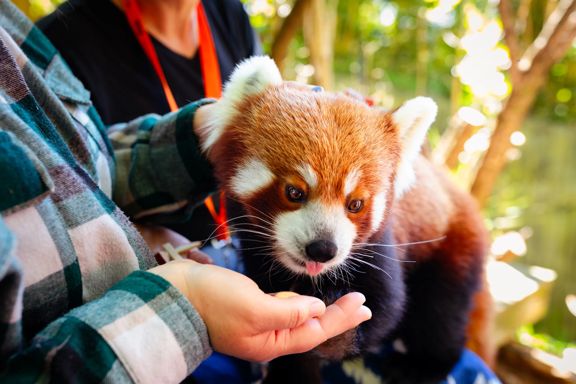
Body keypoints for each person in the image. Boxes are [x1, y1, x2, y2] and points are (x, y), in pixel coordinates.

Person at [0, 1, 372, 382]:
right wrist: (184, 304)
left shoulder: (225, 14)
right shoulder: (63, 35)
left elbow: (84, 164)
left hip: (231, 260)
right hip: (149, 297)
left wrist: (207, 132)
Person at [37, 0, 261, 246]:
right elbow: (62, 210)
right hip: (151, 270)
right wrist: (141, 239)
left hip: (243, 248)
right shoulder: (54, 45)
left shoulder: (228, 13)